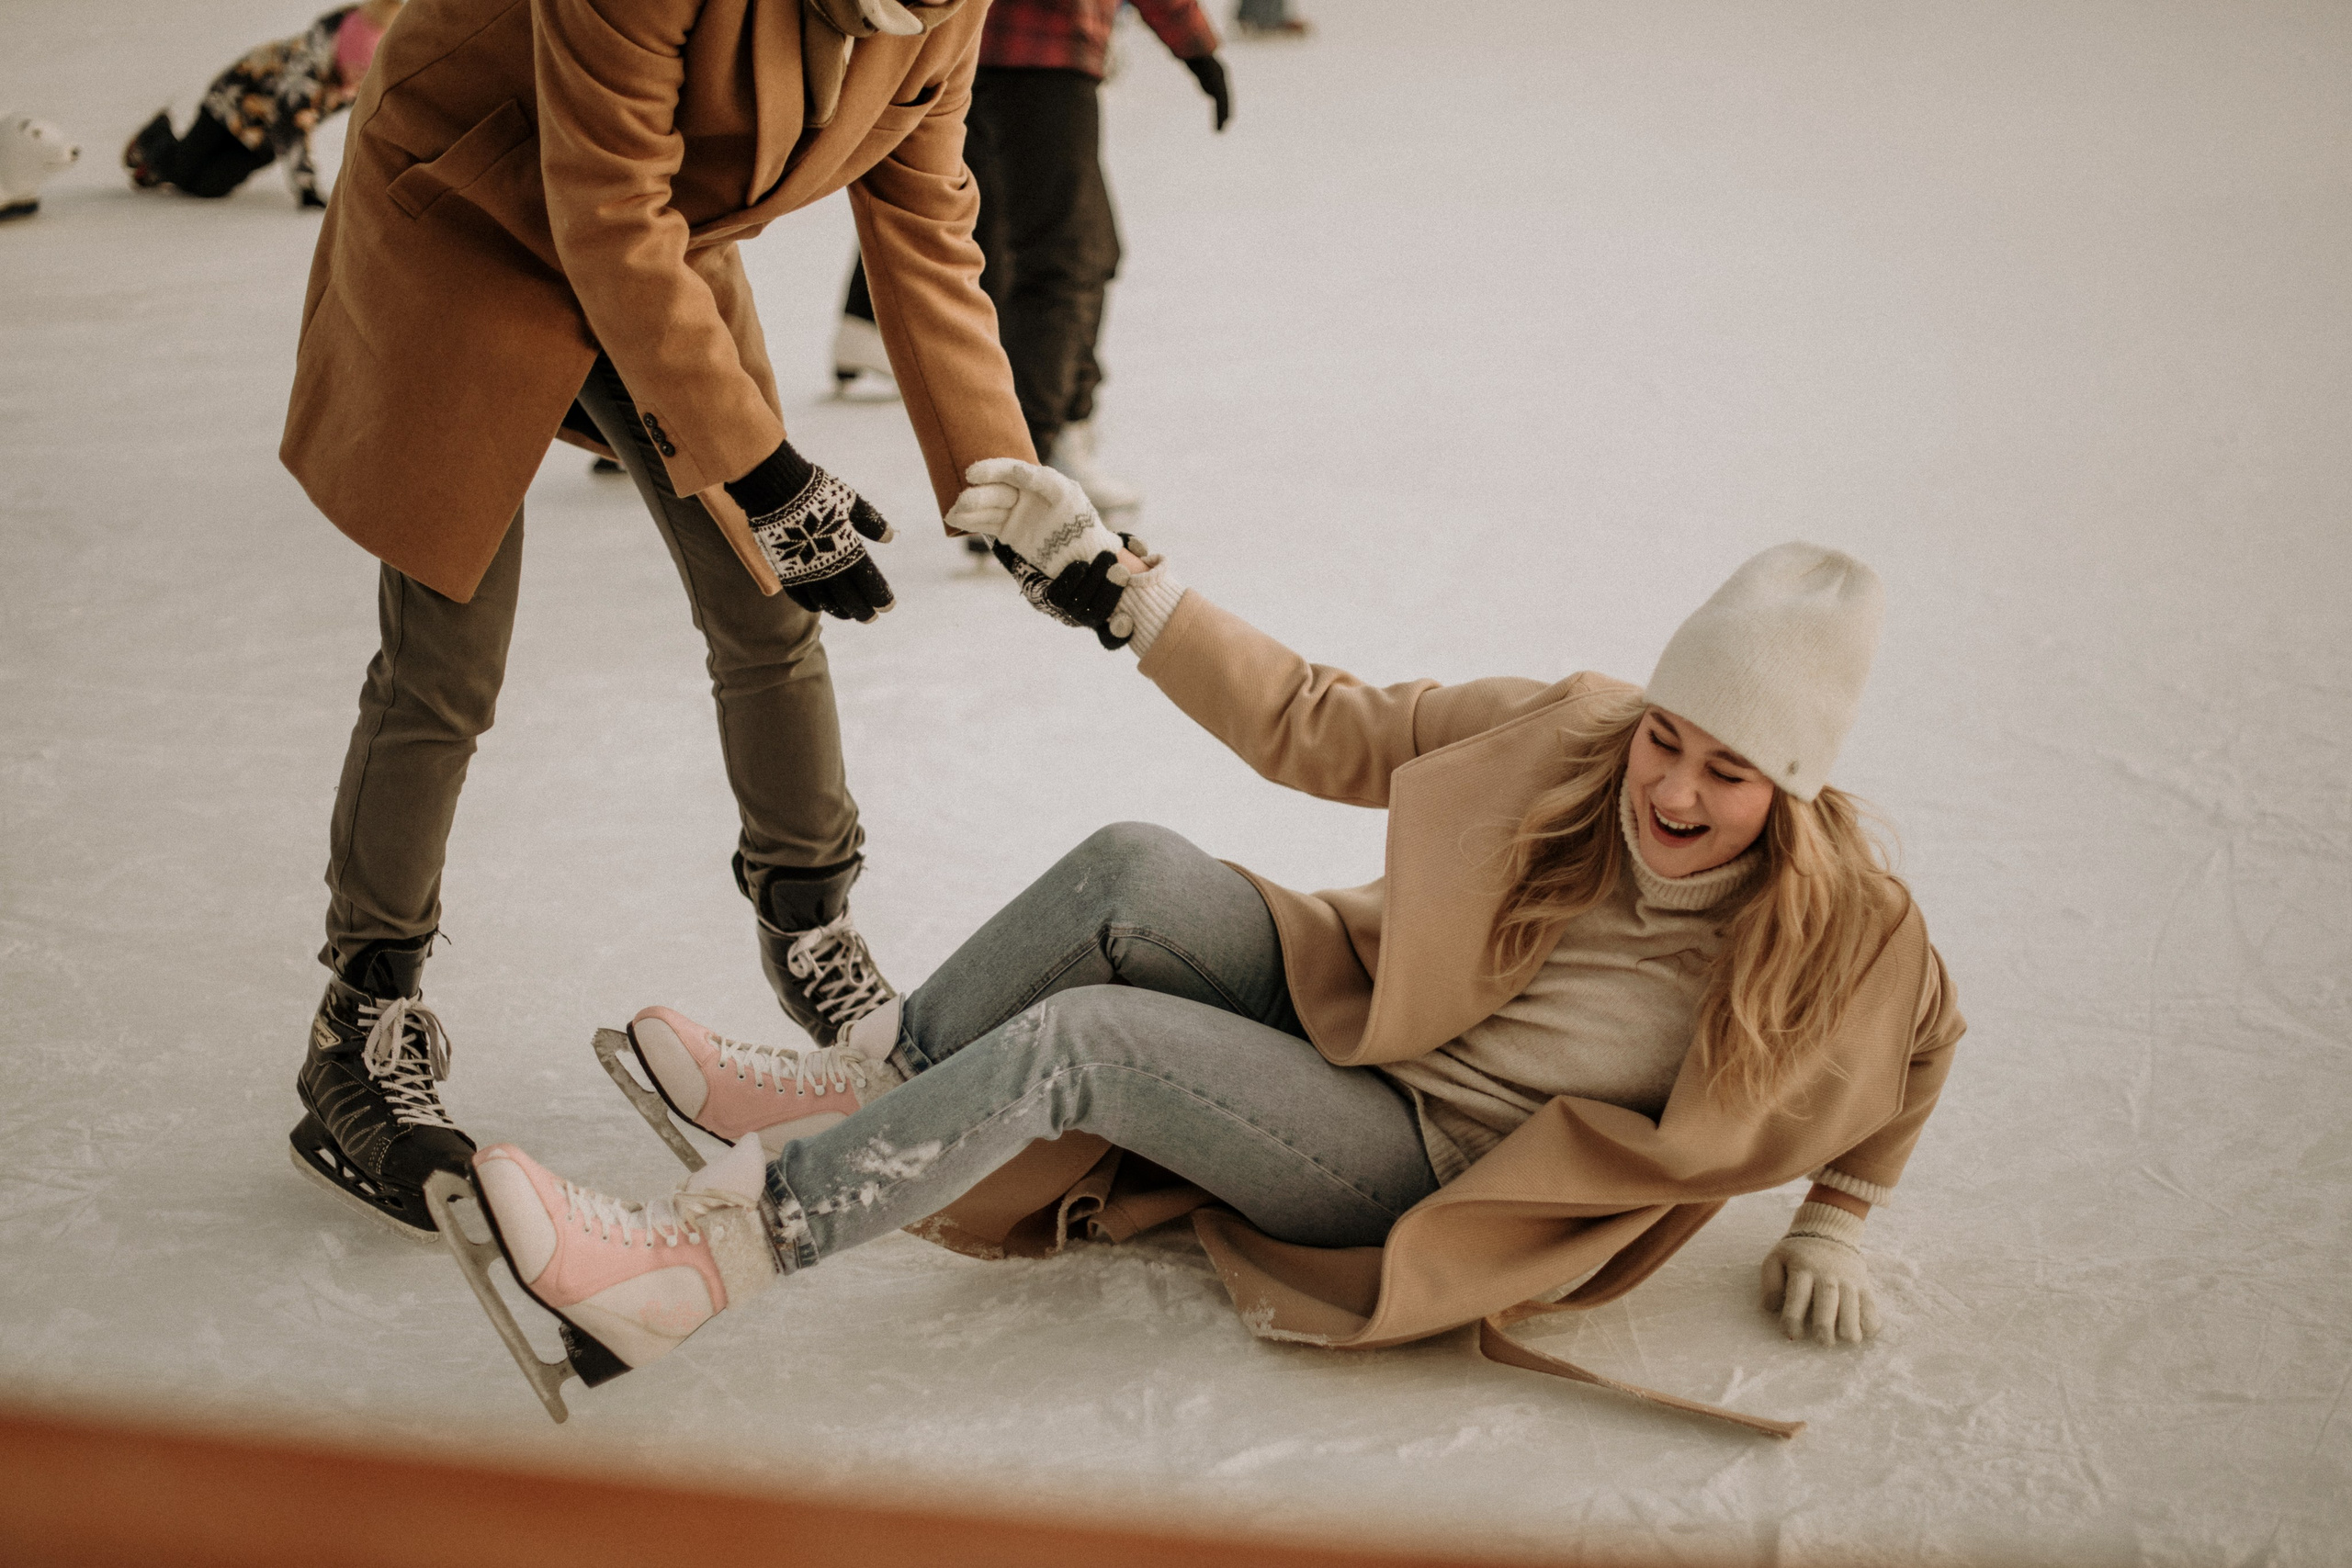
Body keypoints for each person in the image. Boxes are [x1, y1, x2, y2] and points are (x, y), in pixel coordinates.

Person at [443, 461, 1965, 1427]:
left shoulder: (1840, 927)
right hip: (1361, 1019)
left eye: (1729, 769)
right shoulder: (1572, 732)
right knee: (1134, 869)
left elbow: (1924, 1047)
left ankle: (701, 1266)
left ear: (1795, 786)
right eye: (1672, 736)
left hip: (1420, 1167)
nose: (1676, 787)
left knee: (1090, 1045)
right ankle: (864, 1090)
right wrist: (1125, 591)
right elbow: (1327, 721)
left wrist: (1835, 1214)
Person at [277, 0, 1038, 1245]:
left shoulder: (942, 10)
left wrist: (1009, 484)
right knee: (447, 656)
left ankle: (811, 924)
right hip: (476, 199)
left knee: (767, 602)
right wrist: (771, 473)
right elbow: (604, 203)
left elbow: (925, 222)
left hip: (651, 239)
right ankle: (357, 1023)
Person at [832, 0, 1231, 521]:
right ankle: (1029, 471)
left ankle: (1042, 444)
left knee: (996, 244)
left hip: (951, 48)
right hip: (1042, 53)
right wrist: (1196, 47)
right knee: (1065, 258)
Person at [123, 2, 403, 207]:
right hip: (231, 104)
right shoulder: (308, 69)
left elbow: (373, 123)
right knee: (185, 168)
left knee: (210, 187)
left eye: (365, 73)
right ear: (344, 55)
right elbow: (293, 123)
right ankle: (155, 140)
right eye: (356, 69)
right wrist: (306, 187)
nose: (359, 80)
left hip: (263, 138)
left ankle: (165, 166)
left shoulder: (351, 83)